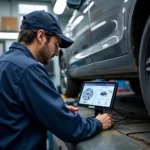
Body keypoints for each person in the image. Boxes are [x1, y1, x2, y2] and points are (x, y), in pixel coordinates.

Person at [0, 10, 113, 150]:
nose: (56, 52)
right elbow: (70, 129)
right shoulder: (29, 69)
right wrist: (97, 123)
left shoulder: (5, 62)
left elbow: (14, 108)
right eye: (56, 44)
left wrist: (54, 109)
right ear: (41, 36)